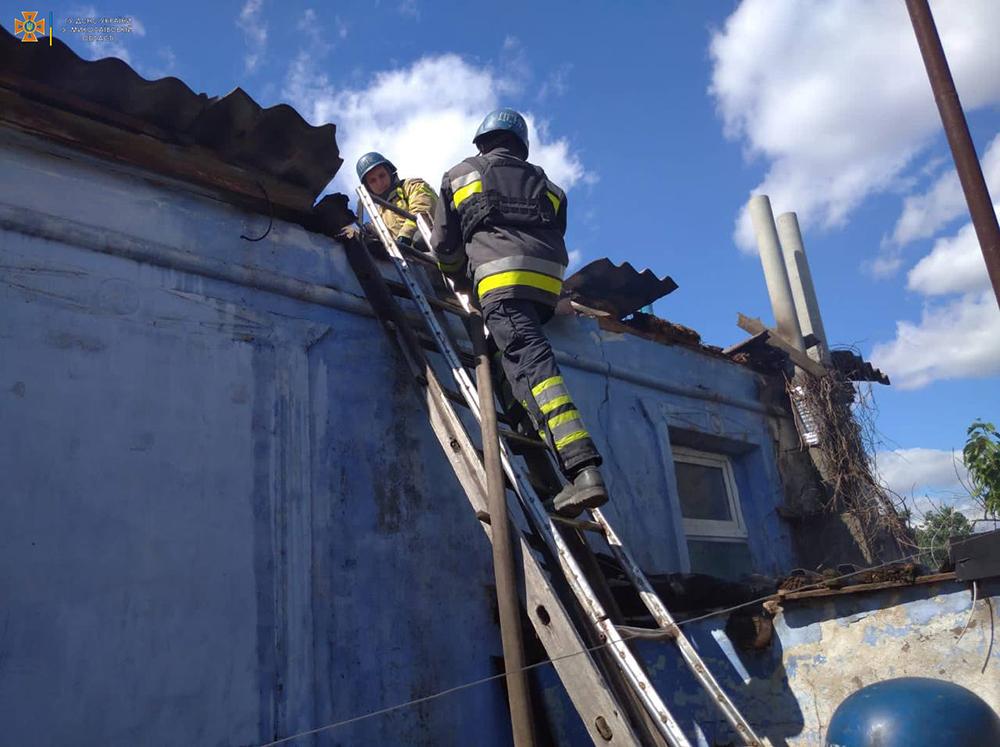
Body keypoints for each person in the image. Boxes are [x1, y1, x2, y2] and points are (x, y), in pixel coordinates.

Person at [429, 108, 608, 517]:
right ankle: (543, 472)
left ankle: (582, 469)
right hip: (545, 287)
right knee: (508, 361)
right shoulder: (551, 187)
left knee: (533, 368)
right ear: (521, 145)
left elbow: (444, 246)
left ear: (481, 142)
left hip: (499, 280)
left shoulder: (460, 174)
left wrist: (458, 280)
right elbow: (552, 233)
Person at [356, 152, 438, 250]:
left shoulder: (412, 185)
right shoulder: (379, 215)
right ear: (368, 187)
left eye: (382, 175)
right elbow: (380, 237)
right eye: (373, 181)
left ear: (390, 173)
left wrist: (405, 235)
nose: (379, 183)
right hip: (413, 255)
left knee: (418, 238)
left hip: (436, 240)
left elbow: (422, 207)